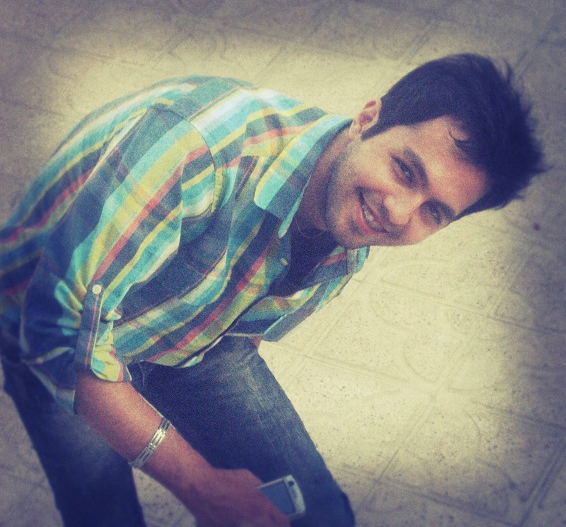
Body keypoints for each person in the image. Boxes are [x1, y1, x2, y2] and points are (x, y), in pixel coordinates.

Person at [0, 54, 545, 527]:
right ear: (367, 118)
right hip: (43, 320)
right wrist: (196, 480)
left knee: (318, 514)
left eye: (434, 212)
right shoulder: (200, 147)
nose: (399, 213)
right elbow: (56, 330)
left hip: (198, 336)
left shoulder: (353, 219)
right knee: (104, 511)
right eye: (405, 170)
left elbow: (250, 320)